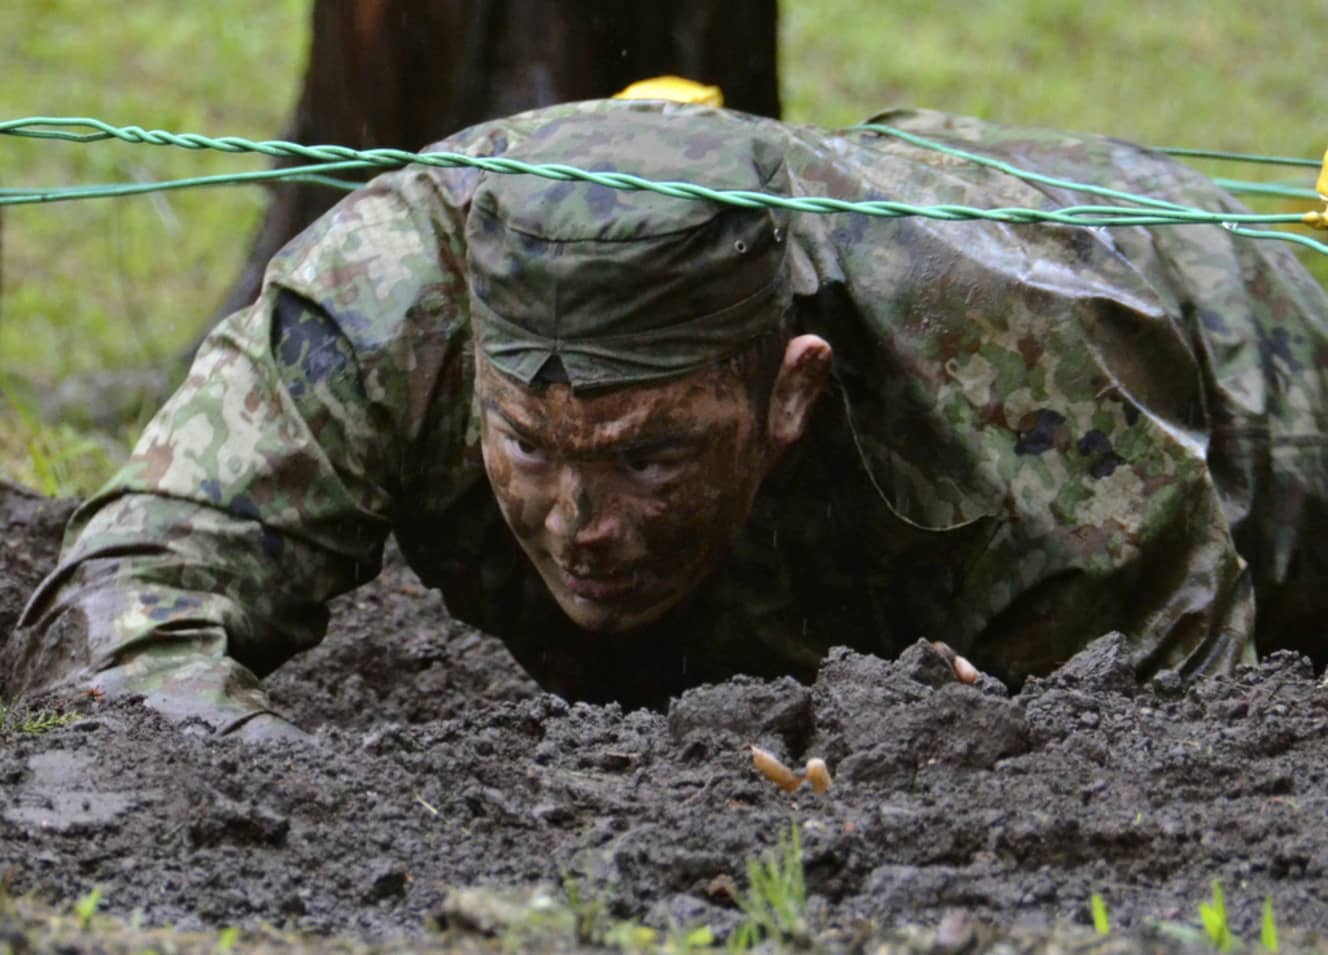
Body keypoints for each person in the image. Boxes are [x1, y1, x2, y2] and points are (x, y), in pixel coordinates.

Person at [5, 97, 1327, 739]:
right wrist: (279, 778)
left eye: (651, 456)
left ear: (785, 395)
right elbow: (130, 596)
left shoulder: (987, 369)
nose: (581, 524)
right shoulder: (387, 303)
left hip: (1248, 368)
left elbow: (1180, 735)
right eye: (529, 446)